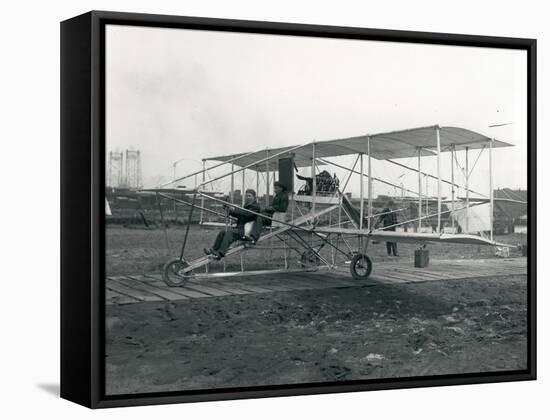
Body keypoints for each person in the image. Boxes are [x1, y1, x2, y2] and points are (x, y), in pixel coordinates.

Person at [204, 189, 260, 259]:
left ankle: (220, 253)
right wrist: (229, 210)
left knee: (230, 232)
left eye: (249, 196)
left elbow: (247, 214)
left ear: (254, 197)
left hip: (246, 232)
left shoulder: (256, 207)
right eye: (246, 196)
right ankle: (213, 250)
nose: (247, 197)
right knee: (222, 233)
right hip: (240, 229)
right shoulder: (247, 206)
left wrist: (234, 209)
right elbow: (240, 215)